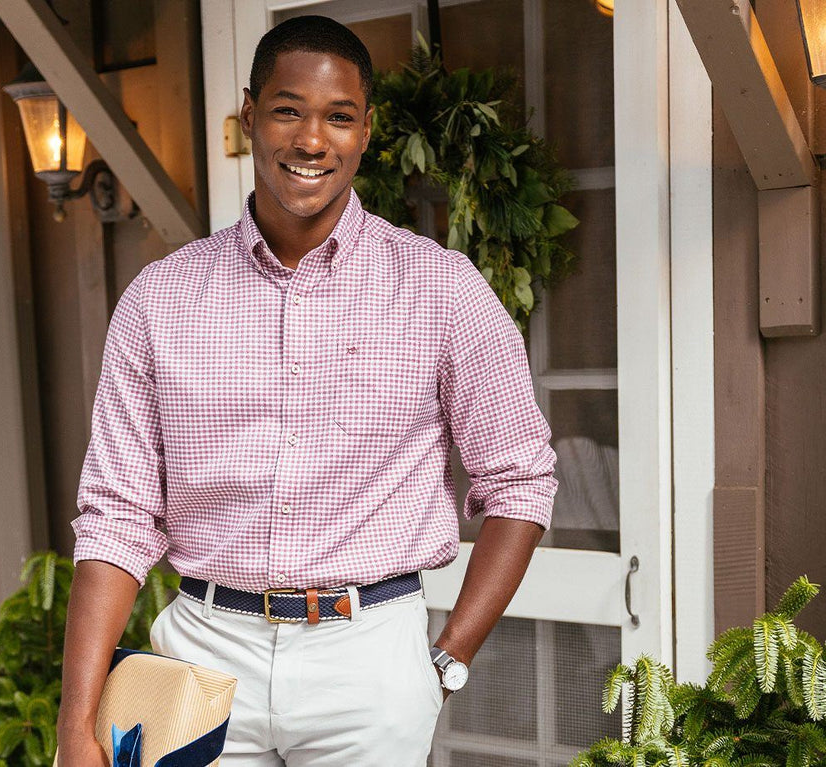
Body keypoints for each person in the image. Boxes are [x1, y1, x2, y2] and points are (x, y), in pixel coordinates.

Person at [56, 14, 557, 767]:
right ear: (251, 113)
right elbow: (117, 515)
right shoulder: (159, 300)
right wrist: (76, 725)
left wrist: (446, 660)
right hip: (202, 652)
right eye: (289, 109)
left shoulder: (440, 289)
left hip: (369, 658)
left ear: (366, 130)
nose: (312, 139)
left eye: (339, 116)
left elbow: (521, 480)